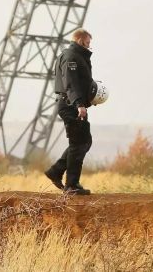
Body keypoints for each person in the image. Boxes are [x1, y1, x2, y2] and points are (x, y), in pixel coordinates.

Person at [44, 29, 95, 195]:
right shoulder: (71, 57)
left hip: (74, 104)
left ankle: (56, 171)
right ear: (80, 41)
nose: (90, 45)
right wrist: (79, 104)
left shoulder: (77, 56)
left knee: (84, 142)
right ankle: (71, 185)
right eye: (88, 42)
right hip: (70, 105)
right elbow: (71, 83)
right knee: (79, 144)